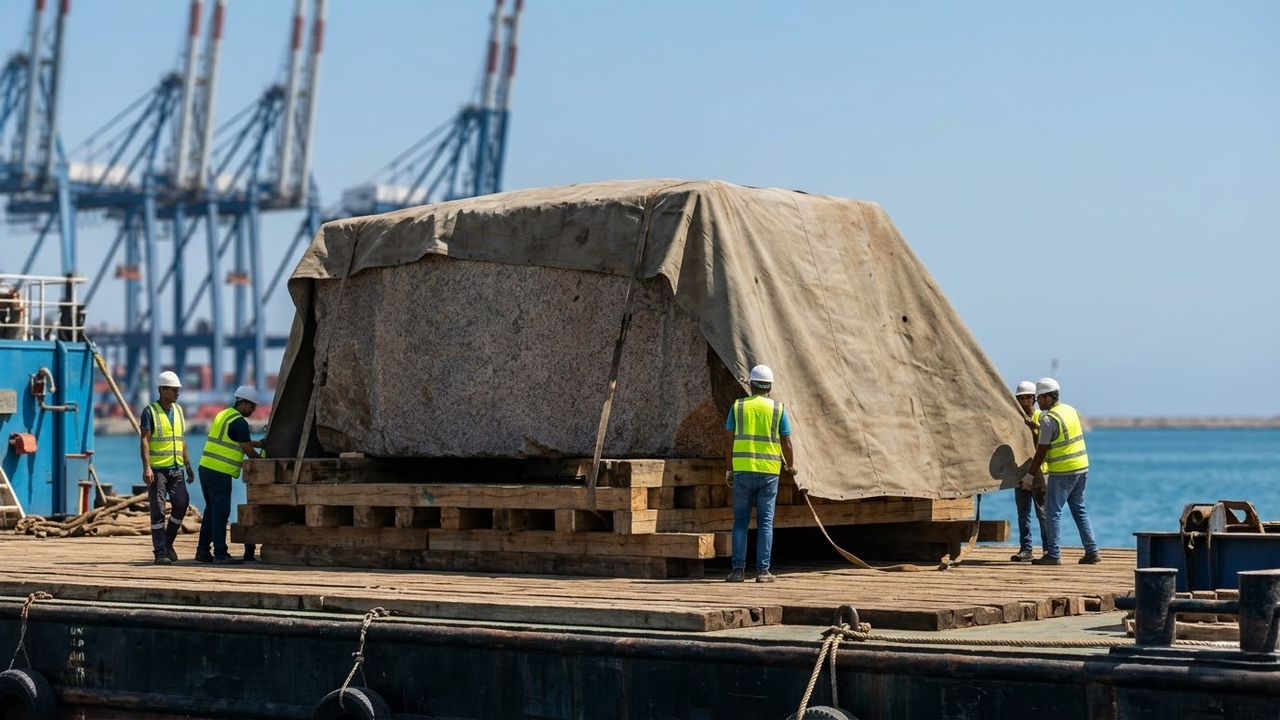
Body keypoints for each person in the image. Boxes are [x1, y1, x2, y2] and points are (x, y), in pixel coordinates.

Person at [724, 364, 795, 583]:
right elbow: (787, 442)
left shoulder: (737, 407)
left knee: (740, 523)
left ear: (752, 385)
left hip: (742, 472)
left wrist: (730, 469)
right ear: (770, 386)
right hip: (769, 474)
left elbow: (728, 442)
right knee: (765, 523)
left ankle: (737, 571)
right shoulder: (778, 409)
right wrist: (790, 466)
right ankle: (763, 572)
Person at [1025, 378, 1101, 566]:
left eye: (1042, 398)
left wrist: (1030, 474)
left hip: (1062, 471)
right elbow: (1061, 432)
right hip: (1082, 467)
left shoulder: (1048, 418)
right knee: (1079, 509)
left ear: (1051, 397)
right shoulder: (1070, 410)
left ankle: (1053, 554)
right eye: (1038, 398)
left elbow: (1042, 450)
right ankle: (1092, 551)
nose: (1039, 402)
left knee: (1052, 512)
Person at [195, 385, 265, 564]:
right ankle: (220, 554)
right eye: (252, 406)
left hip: (206, 468)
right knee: (220, 512)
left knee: (211, 511)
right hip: (220, 472)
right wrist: (263, 461)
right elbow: (248, 451)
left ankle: (203, 551)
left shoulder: (224, 414)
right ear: (243, 403)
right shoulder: (240, 422)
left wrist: (258, 443)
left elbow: (234, 440)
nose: (254, 410)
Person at [139, 370, 193, 565]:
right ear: (162, 390)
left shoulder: (179, 411)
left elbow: (181, 440)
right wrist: (147, 468)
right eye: (173, 390)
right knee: (158, 510)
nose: (177, 393)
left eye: (178, 390)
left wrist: (188, 466)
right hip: (158, 470)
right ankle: (160, 552)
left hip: (176, 469)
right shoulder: (150, 411)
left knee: (181, 504)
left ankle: (168, 542)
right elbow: (144, 439)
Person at [1010, 380, 1048, 562]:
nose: (1024, 401)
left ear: (1034, 399)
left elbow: (1045, 443)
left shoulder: (1042, 418)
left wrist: (1033, 427)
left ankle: (1049, 549)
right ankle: (1026, 549)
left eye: (1027, 398)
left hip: (1040, 473)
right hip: (1020, 472)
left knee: (1043, 513)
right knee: (1023, 512)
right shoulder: (1015, 422)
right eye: (1021, 398)